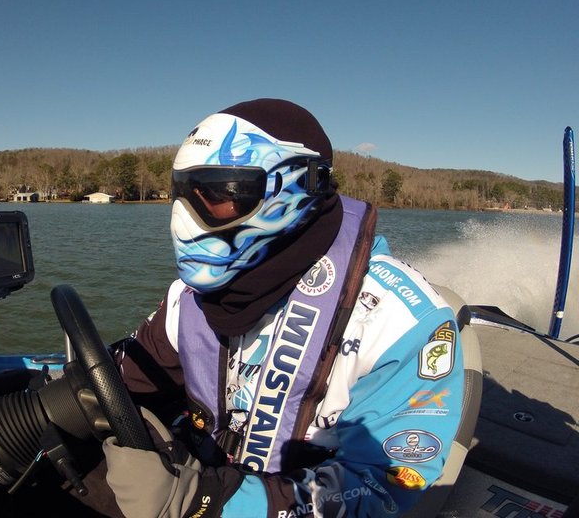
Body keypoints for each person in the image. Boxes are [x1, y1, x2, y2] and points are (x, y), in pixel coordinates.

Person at [101, 98, 464, 518]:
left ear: (295, 187)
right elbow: (132, 378)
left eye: (219, 194)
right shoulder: (190, 298)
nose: (184, 220)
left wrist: (206, 502)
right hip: (199, 473)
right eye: (183, 193)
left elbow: (384, 485)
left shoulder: (402, 322)